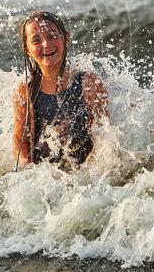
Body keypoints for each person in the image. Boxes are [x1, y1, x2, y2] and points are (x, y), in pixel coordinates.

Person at [12, 10, 109, 169]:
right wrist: (26, 169)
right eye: (36, 40)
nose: (46, 44)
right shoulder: (25, 91)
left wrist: (90, 172)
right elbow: (20, 141)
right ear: (27, 48)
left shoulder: (88, 83)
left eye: (52, 36)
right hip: (45, 174)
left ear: (66, 38)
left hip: (85, 170)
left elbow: (103, 135)